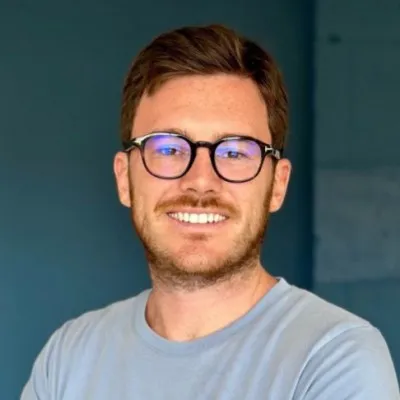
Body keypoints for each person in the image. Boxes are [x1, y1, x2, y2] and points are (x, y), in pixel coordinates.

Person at [21, 24, 399, 399]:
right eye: (169, 149)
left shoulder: (335, 359)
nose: (201, 181)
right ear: (124, 178)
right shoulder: (68, 358)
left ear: (278, 185)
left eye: (235, 152)